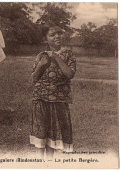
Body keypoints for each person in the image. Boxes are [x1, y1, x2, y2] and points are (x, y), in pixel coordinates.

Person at [30, 23, 76, 160]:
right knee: (40, 131)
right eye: (52, 34)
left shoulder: (68, 54)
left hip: (59, 99)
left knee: (53, 134)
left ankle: (49, 163)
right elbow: (33, 78)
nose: (57, 36)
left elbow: (70, 74)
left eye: (59, 33)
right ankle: (39, 163)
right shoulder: (41, 55)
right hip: (40, 98)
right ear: (46, 39)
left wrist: (56, 58)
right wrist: (40, 65)